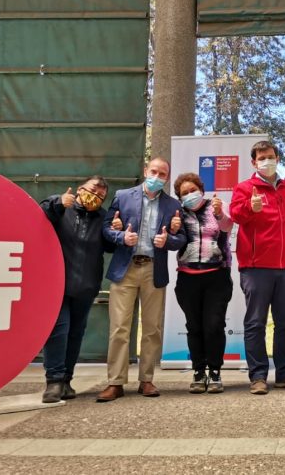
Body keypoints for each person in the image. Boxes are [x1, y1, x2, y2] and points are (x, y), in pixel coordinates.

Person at [96, 158, 187, 402]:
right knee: (119, 329)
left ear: (167, 178)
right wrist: (119, 236)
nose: (158, 176)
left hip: (153, 270)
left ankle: (146, 380)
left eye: (163, 174)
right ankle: (115, 382)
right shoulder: (123, 196)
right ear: (146, 171)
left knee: (152, 329)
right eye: (154, 171)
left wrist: (168, 240)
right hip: (124, 270)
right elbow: (106, 228)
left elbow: (182, 240)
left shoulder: (173, 205)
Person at [230, 141, 285, 395]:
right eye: (262, 158)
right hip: (255, 267)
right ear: (254, 162)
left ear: (277, 158)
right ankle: (258, 376)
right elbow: (235, 216)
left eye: (271, 157)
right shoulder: (244, 188)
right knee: (255, 323)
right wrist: (251, 207)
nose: (267, 161)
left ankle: (284, 373)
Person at [39, 176, 114, 403]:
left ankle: (66, 381)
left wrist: (116, 229)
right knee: (58, 332)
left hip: (86, 285)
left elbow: (111, 245)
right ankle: (54, 381)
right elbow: (41, 212)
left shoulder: (103, 218)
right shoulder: (62, 206)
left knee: (75, 333)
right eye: (92, 190)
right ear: (81, 189)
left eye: (101, 195)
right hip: (57, 284)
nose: (95, 197)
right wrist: (60, 202)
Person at [173, 173, 234, 394]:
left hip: (217, 275)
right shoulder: (177, 212)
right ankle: (199, 372)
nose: (190, 195)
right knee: (194, 326)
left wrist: (219, 214)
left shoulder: (217, 205)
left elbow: (227, 226)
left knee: (214, 325)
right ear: (179, 197)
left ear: (201, 189)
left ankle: (215, 371)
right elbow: (173, 239)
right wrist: (172, 228)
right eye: (184, 193)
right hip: (187, 277)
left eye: (193, 190)